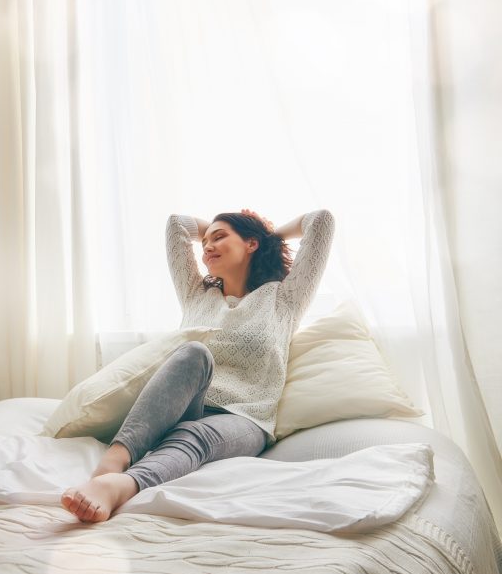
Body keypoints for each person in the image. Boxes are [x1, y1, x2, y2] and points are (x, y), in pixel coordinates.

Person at [61, 208, 336, 523]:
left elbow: (321, 221)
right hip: (179, 407)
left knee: (194, 436)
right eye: (204, 242)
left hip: (243, 418)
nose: (207, 247)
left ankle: (120, 485)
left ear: (252, 244)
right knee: (193, 352)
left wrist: (268, 234)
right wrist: (221, 233)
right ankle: (111, 463)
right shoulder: (196, 295)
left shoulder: (285, 299)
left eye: (219, 238)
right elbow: (176, 225)